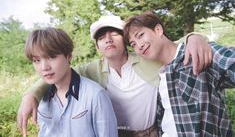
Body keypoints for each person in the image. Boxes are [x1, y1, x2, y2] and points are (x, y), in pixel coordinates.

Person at [17, 15, 212, 137]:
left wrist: (193, 37)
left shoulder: (147, 59)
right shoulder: (91, 70)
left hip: (149, 133)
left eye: (114, 34)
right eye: (101, 38)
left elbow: (171, 49)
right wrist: (31, 95)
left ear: (126, 40)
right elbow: (56, 72)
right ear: (97, 46)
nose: (108, 40)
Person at [123, 11, 235, 137]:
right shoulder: (161, 76)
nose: (139, 46)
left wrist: (194, 37)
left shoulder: (197, 53)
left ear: (158, 30)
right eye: (133, 44)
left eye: (141, 35)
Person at [23, 27, 118, 137]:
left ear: (68, 57)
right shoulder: (41, 98)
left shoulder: (95, 95)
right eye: (37, 60)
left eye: (51, 57)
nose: (44, 67)